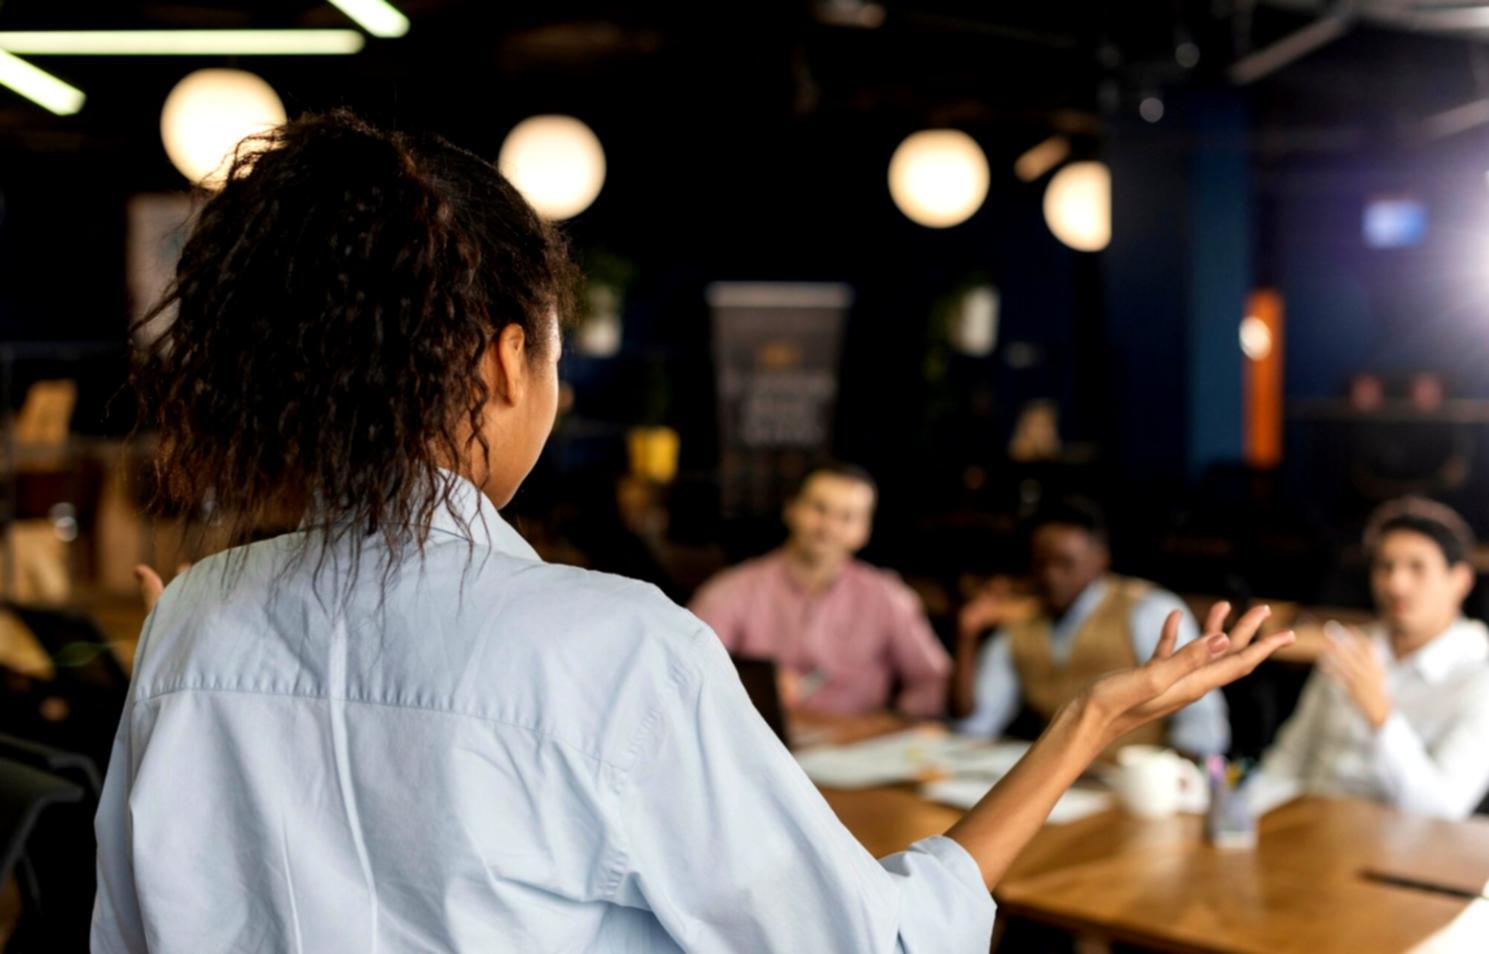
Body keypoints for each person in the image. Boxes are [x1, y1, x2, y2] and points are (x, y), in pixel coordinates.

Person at [94, 110, 1293, 953]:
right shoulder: (609, 650)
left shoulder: (191, 624)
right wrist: (1087, 724)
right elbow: (876, 945)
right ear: (505, 362)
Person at [1256, 498, 1489, 820]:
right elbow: (1290, 758)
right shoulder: (1352, 648)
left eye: (1417, 568)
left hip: (1399, 844)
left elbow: (1442, 811)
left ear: (1460, 580)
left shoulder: (1478, 678)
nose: (1396, 584)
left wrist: (1381, 717)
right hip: (1307, 828)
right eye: (1385, 566)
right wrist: (1244, 818)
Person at [952, 498, 1230, 755]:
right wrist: (967, 634)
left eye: (1065, 563)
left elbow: (1201, 722)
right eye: (1041, 563)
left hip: (1129, 776)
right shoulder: (1021, 620)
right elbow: (975, 723)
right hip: (1049, 778)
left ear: (1100, 559)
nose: (1051, 575)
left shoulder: (1148, 609)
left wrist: (1168, 775)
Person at [689, 463, 950, 716]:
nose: (828, 527)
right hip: (759, 735)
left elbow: (935, 681)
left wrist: (892, 721)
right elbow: (687, 669)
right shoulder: (733, 590)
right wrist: (747, 686)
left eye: (847, 517)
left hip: (859, 737)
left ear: (864, 531)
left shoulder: (887, 596)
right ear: (791, 509)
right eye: (819, 509)